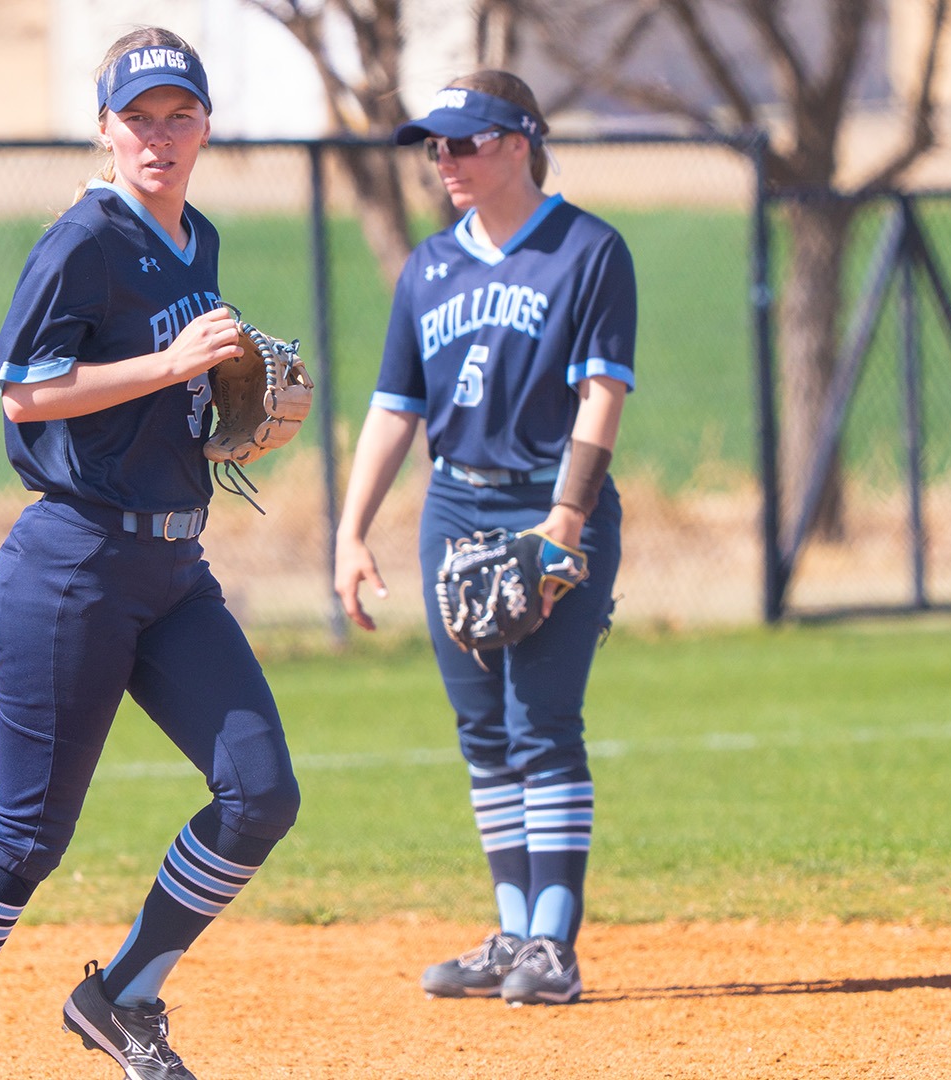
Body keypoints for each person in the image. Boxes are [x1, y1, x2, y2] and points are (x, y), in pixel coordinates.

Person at [0, 27, 300, 1080]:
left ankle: (120, 997)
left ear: (206, 126)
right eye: (138, 117)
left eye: (178, 115)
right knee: (29, 837)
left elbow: (170, 393)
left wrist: (222, 408)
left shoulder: (194, 238)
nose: (159, 135)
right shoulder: (83, 241)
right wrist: (169, 365)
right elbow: (24, 390)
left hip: (173, 567)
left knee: (260, 793)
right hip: (72, 569)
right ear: (106, 129)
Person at [333, 70, 634, 1007]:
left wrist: (567, 524)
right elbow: (394, 408)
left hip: (549, 504)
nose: (445, 160)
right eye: (436, 145)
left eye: (464, 142)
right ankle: (510, 932)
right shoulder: (429, 266)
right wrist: (350, 532)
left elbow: (603, 395)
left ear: (518, 142)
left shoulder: (588, 248)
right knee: (481, 731)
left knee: (542, 726)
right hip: (454, 508)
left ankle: (554, 944)